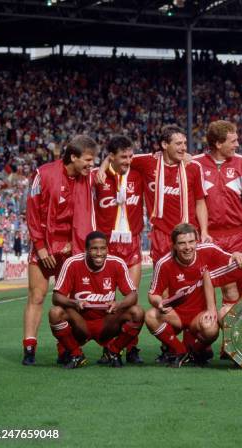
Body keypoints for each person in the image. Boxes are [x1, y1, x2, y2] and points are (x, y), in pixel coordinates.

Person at [24, 135, 98, 366]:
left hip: (71, 248)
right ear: (73, 157)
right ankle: (29, 347)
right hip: (45, 246)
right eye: (87, 160)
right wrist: (40, 247)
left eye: (93, 160)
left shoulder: (87, 178)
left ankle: (65, 348)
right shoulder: (43, 174)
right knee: (37, 296)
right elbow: (32, 211)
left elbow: (116, 163)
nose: (91, 164)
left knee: (71, 302)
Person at [49, 231, 144, 368]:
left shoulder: (117, 263)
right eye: (94, 249)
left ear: (107, 249)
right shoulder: (72, 263)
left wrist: (119, 304)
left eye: (103, 248)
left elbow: (133, 295)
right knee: (55, 313)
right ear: (86, 250)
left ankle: (114, 351)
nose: (99, 253)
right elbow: (56, 297)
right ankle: (76, 354)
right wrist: (74, 303)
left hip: (107, 322)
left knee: (138, 312)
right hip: (81, 323)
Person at [117, 125, 209, 264]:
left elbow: (200, 202)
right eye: (178, 144)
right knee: (163, 280)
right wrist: (104, 165)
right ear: (164, 144)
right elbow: (118, 158)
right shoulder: (148, 162)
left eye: (185, 143)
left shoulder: (193, 167)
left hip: (188, 232)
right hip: (161, 233)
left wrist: (204, 231)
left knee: (194, 280)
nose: (184, 148)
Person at [146, 223, 232, 367]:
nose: (187, 247)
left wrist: (238, 254)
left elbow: (230, 259)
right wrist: (159, 303)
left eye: (191, 242)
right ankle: (180, 351)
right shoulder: (164, 263)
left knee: (211, 328)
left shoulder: (208, 250)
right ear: (174, 245)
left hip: (199, 315)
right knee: (150, 316)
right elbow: (153, 294)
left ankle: (194, 351)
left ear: (197, 241)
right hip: (176, 315)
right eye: (182, 243)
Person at [93, 135, 145, 363]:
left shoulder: (138, 173)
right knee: (107, 298)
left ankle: (131, 347)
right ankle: (108, 346)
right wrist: (103, 165)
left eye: (130, 156)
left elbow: (160, 159)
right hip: (106, 244)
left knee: (131, 297)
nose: (128, 160)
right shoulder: (99, 177)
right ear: (111, 156)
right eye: (122, 156)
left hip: (131, 241)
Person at [192, 120, 242, 253]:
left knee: (238, 273)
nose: (237, 145)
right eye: (233, 141)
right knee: (208, 274)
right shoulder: (195, 164)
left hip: (237, 237)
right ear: (218, 144)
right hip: (207, 236)